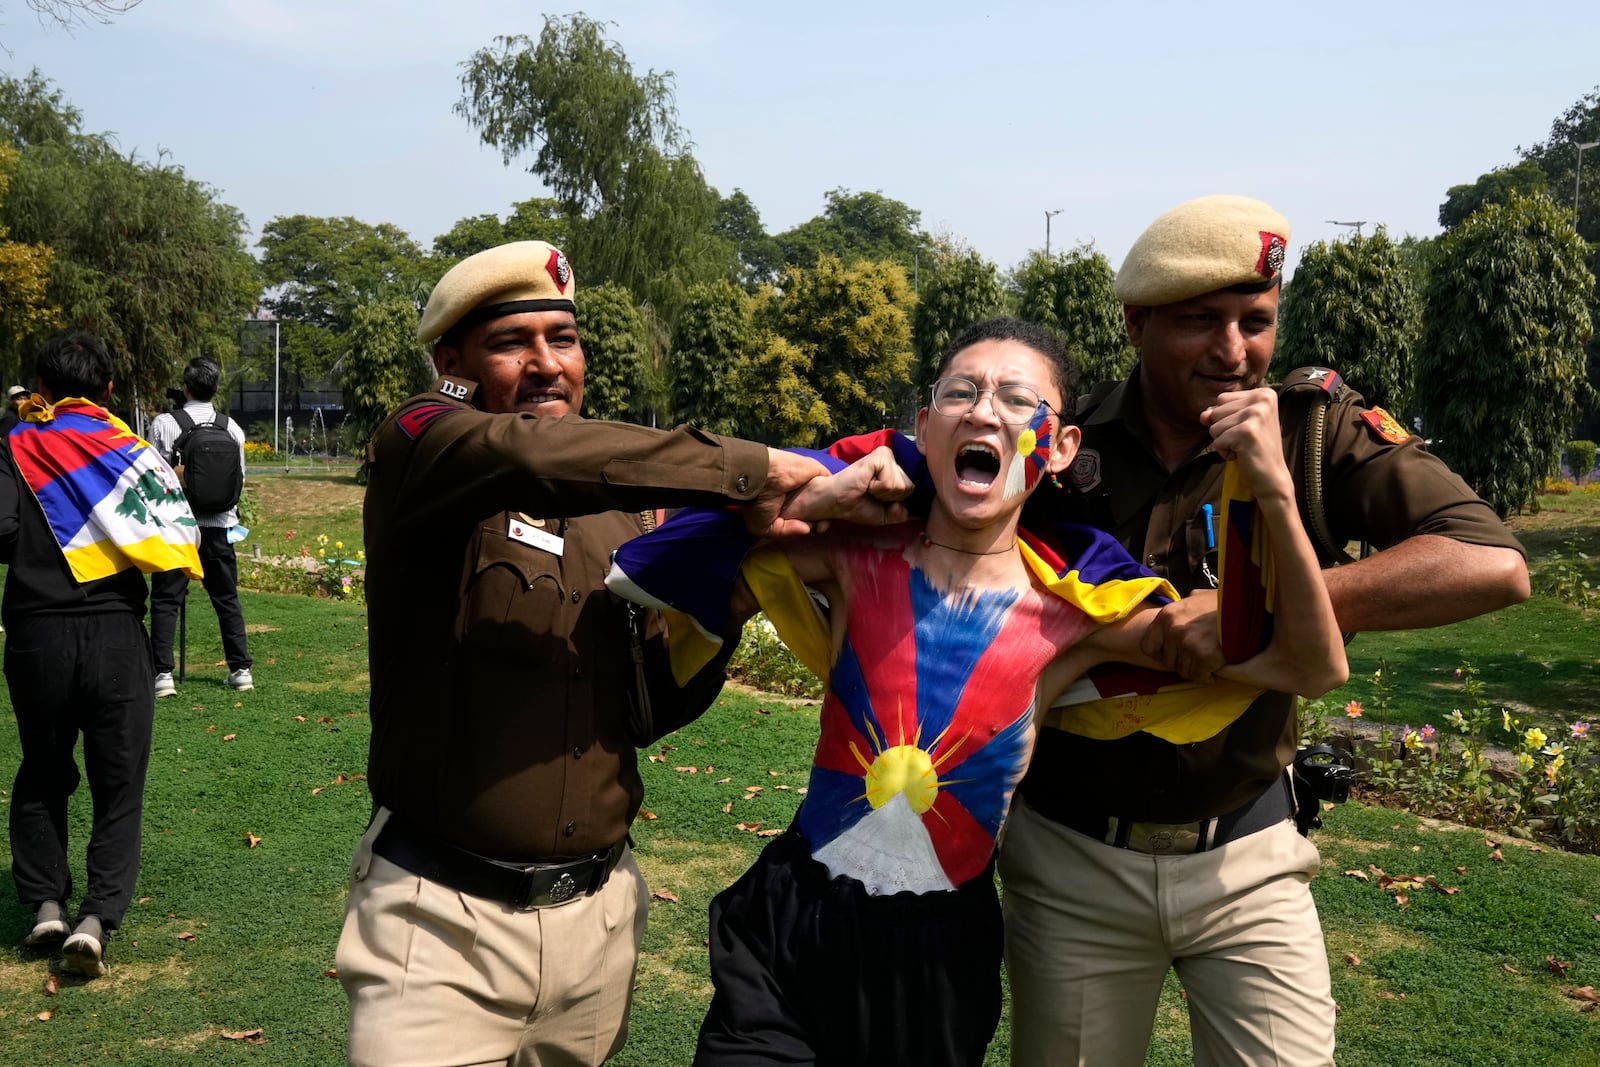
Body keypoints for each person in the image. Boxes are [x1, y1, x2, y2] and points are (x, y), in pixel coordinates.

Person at [608, 316, 1348, 1066]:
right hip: (791, 922)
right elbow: (648, 564)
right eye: (961, 392)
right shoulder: (849, 553)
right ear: (925, 430)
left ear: (1058, 449)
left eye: (1018, 398)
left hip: (934, 959)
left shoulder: (1075, 613)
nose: (986, 409)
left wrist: (1276, 492)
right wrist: (818, 494)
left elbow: (1310, 667)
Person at [336, 240, 904, 1067]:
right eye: (511, 342)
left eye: (562, 340)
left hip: (595, 927)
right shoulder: (423, 445)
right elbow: (526, 455)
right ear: (450, 362)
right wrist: (759, 468)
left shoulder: (626, 522)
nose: (544, 365)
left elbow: (643, 708)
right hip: (439, 927)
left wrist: (728, 600)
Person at [1000, 195, 1531, 1066]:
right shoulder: (1062, 448)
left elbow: (1491, 561)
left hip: (1249, 857)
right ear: (1135, 322)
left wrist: (1266, 612)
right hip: (1073, 862)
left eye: (1257, 320)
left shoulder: (1311, 430)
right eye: (1199, 321)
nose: (1234, 349)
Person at [2, 329, 202, 978]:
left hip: (36, 632)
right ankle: (95, 919)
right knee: (120, 785)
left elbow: (2, 530)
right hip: (117, 630)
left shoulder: (14, 444)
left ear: (42, 387)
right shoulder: (132, 450)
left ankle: (45, 905)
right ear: (110, 390)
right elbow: (170, 531)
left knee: (42, 769)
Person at [147, 357, 253, 697]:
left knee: (166, 599)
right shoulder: (231, 428)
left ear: (186, 386)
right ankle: (240, 670)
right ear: (216, 388)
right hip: (220, 525)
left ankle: (162, 674)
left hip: (177, 527)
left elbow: (152, 478)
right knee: (226, 598)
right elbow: (240, 478)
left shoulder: (165, 424)